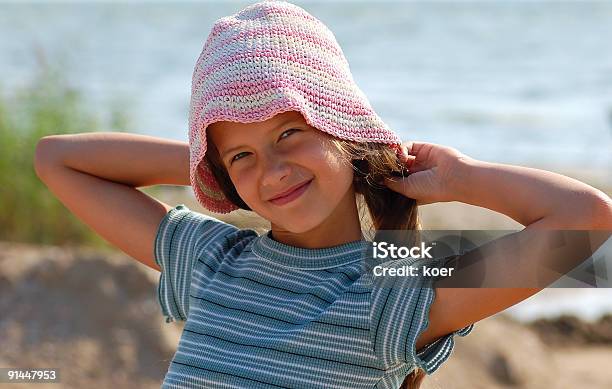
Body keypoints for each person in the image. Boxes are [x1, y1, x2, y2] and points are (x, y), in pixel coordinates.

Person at [33, 1, 612, 388]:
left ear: (344, 130)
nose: (274, 169)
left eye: (289, 133)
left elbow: (586, 222)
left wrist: (462, 178)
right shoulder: (215, 259)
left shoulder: (391, 282)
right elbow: (57, 159)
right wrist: (212, 170)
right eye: (245, 154)